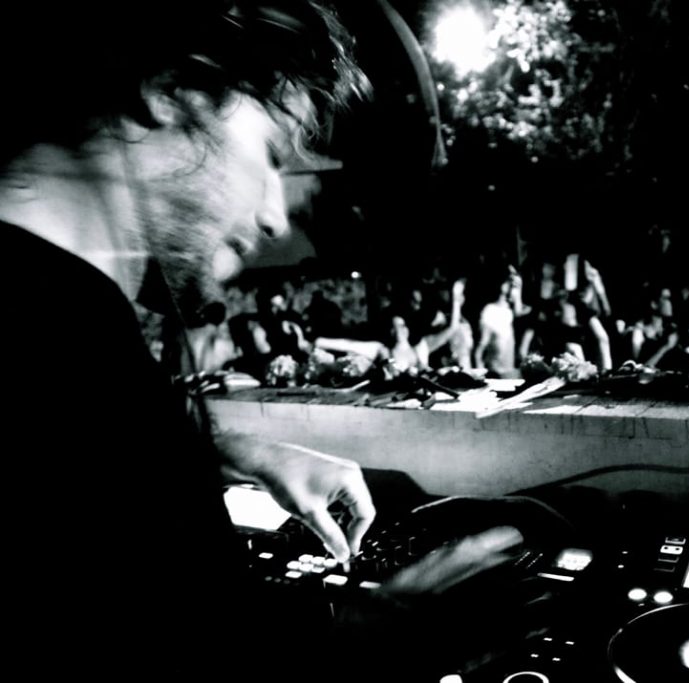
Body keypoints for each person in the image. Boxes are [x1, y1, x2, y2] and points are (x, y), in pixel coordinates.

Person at [1, 0, 521, 675]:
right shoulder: (58, 339)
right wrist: (374, 634)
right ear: (171, 93)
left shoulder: (64, 327)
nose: (276, 217)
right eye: (272, 154)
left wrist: (218, 452)